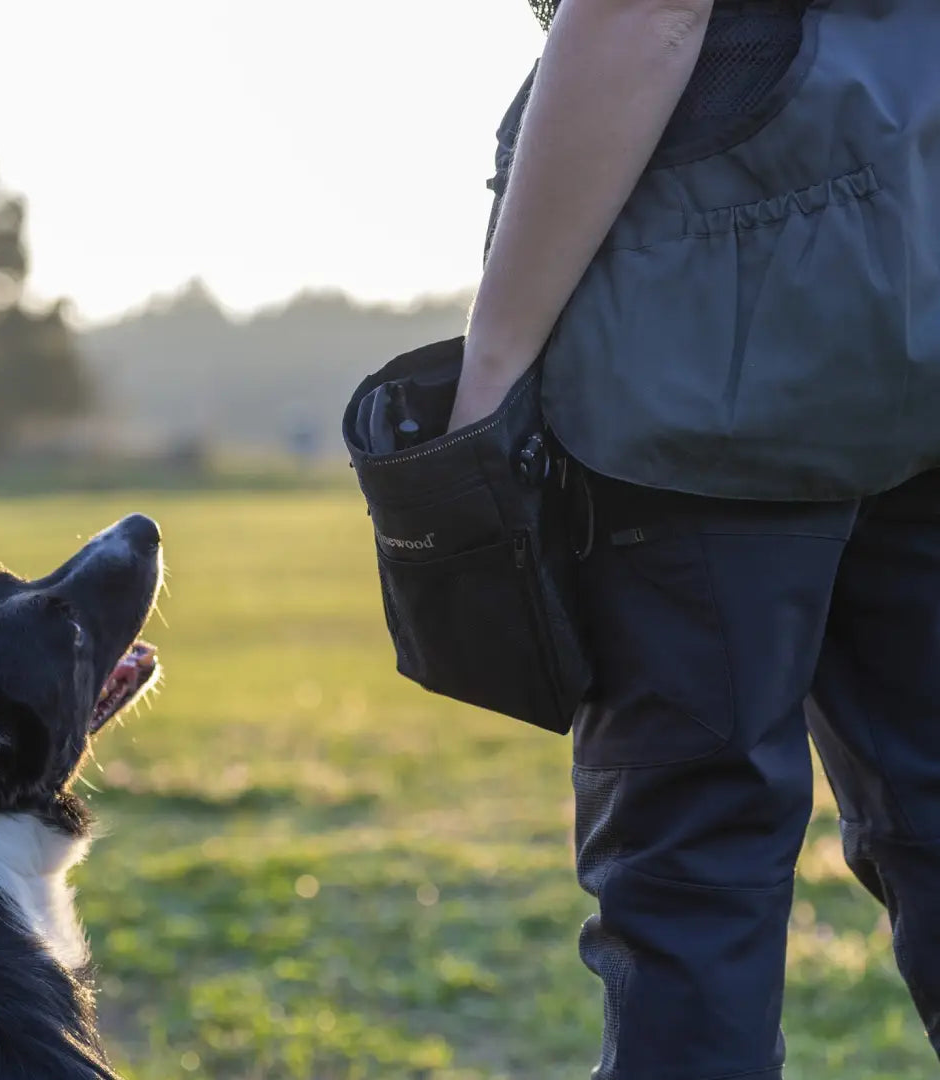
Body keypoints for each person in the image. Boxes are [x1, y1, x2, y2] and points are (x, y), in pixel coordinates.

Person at [449, 0, 940, 1076]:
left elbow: (651, 10)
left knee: (693, 874)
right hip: (915, 275)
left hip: (705, 337)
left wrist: (492, 368)